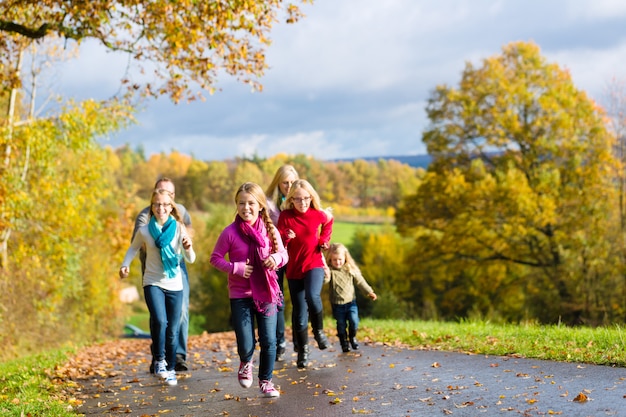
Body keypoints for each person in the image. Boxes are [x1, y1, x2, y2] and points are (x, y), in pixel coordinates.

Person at [210, 182, 287, 398]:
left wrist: (275, 258)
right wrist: (235, 267)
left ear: (261, 205)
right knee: (246, 343)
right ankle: (246, 362)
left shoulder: (270, 230)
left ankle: (266, 381)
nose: (246, 208)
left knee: (269, 340)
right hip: (240, 295)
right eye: (241, 203)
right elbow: (215, 258)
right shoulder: (230, 232)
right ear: (236, 205)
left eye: (251, 203)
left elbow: (284, 254)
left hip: (267, 293)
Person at [120, 189, 196, 387]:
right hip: (152, 282)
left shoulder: (179, 228)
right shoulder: (145, 230)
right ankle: (160, 361)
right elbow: (133, 248)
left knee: (173, 329)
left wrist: (188, 247)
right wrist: (125, 264)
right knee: (160, 321)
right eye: (156, 205)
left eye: (164, 204)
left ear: (171, 207)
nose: (161, 208)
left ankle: (170, 368)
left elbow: (191, 259)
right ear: (151, 207)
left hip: (175, 284)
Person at [277, 179, 333, 369]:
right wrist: (286, 236)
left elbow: (329, 221)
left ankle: (318, 332)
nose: (303, 203)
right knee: (299, 314)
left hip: (313, 263)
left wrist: (324, 240)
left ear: (311, 197)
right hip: (293, 269)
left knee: (313, 296)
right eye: (299, 199)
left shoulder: (317, 214)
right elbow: (278, 239)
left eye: (306, 198)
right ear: (291, 199)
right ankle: (303, 352)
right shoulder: (285, 216)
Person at [265, 164, 299, 362]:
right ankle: (279, 341)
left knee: (297, 298)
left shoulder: (300, 199)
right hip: (276, 255)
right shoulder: (269, 204)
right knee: (277, 298)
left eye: (292, 182)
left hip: (296, 255)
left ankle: (299, 339)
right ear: (278, 182)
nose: (289, 186)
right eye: (285, 182)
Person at [324, 243, 377, 352]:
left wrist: (369, 291)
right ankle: (344, 343)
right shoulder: (330, 271)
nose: (337, 262)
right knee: (341, 324)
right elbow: (325, 281)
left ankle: (352, 337)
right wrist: (326, 274)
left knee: (354, 321)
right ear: (330, 259)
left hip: (351, 302)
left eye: (340, 259)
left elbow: (360, 281)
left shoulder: (350, 269)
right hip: (337, 305)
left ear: (345, 258)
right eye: (334, 260)